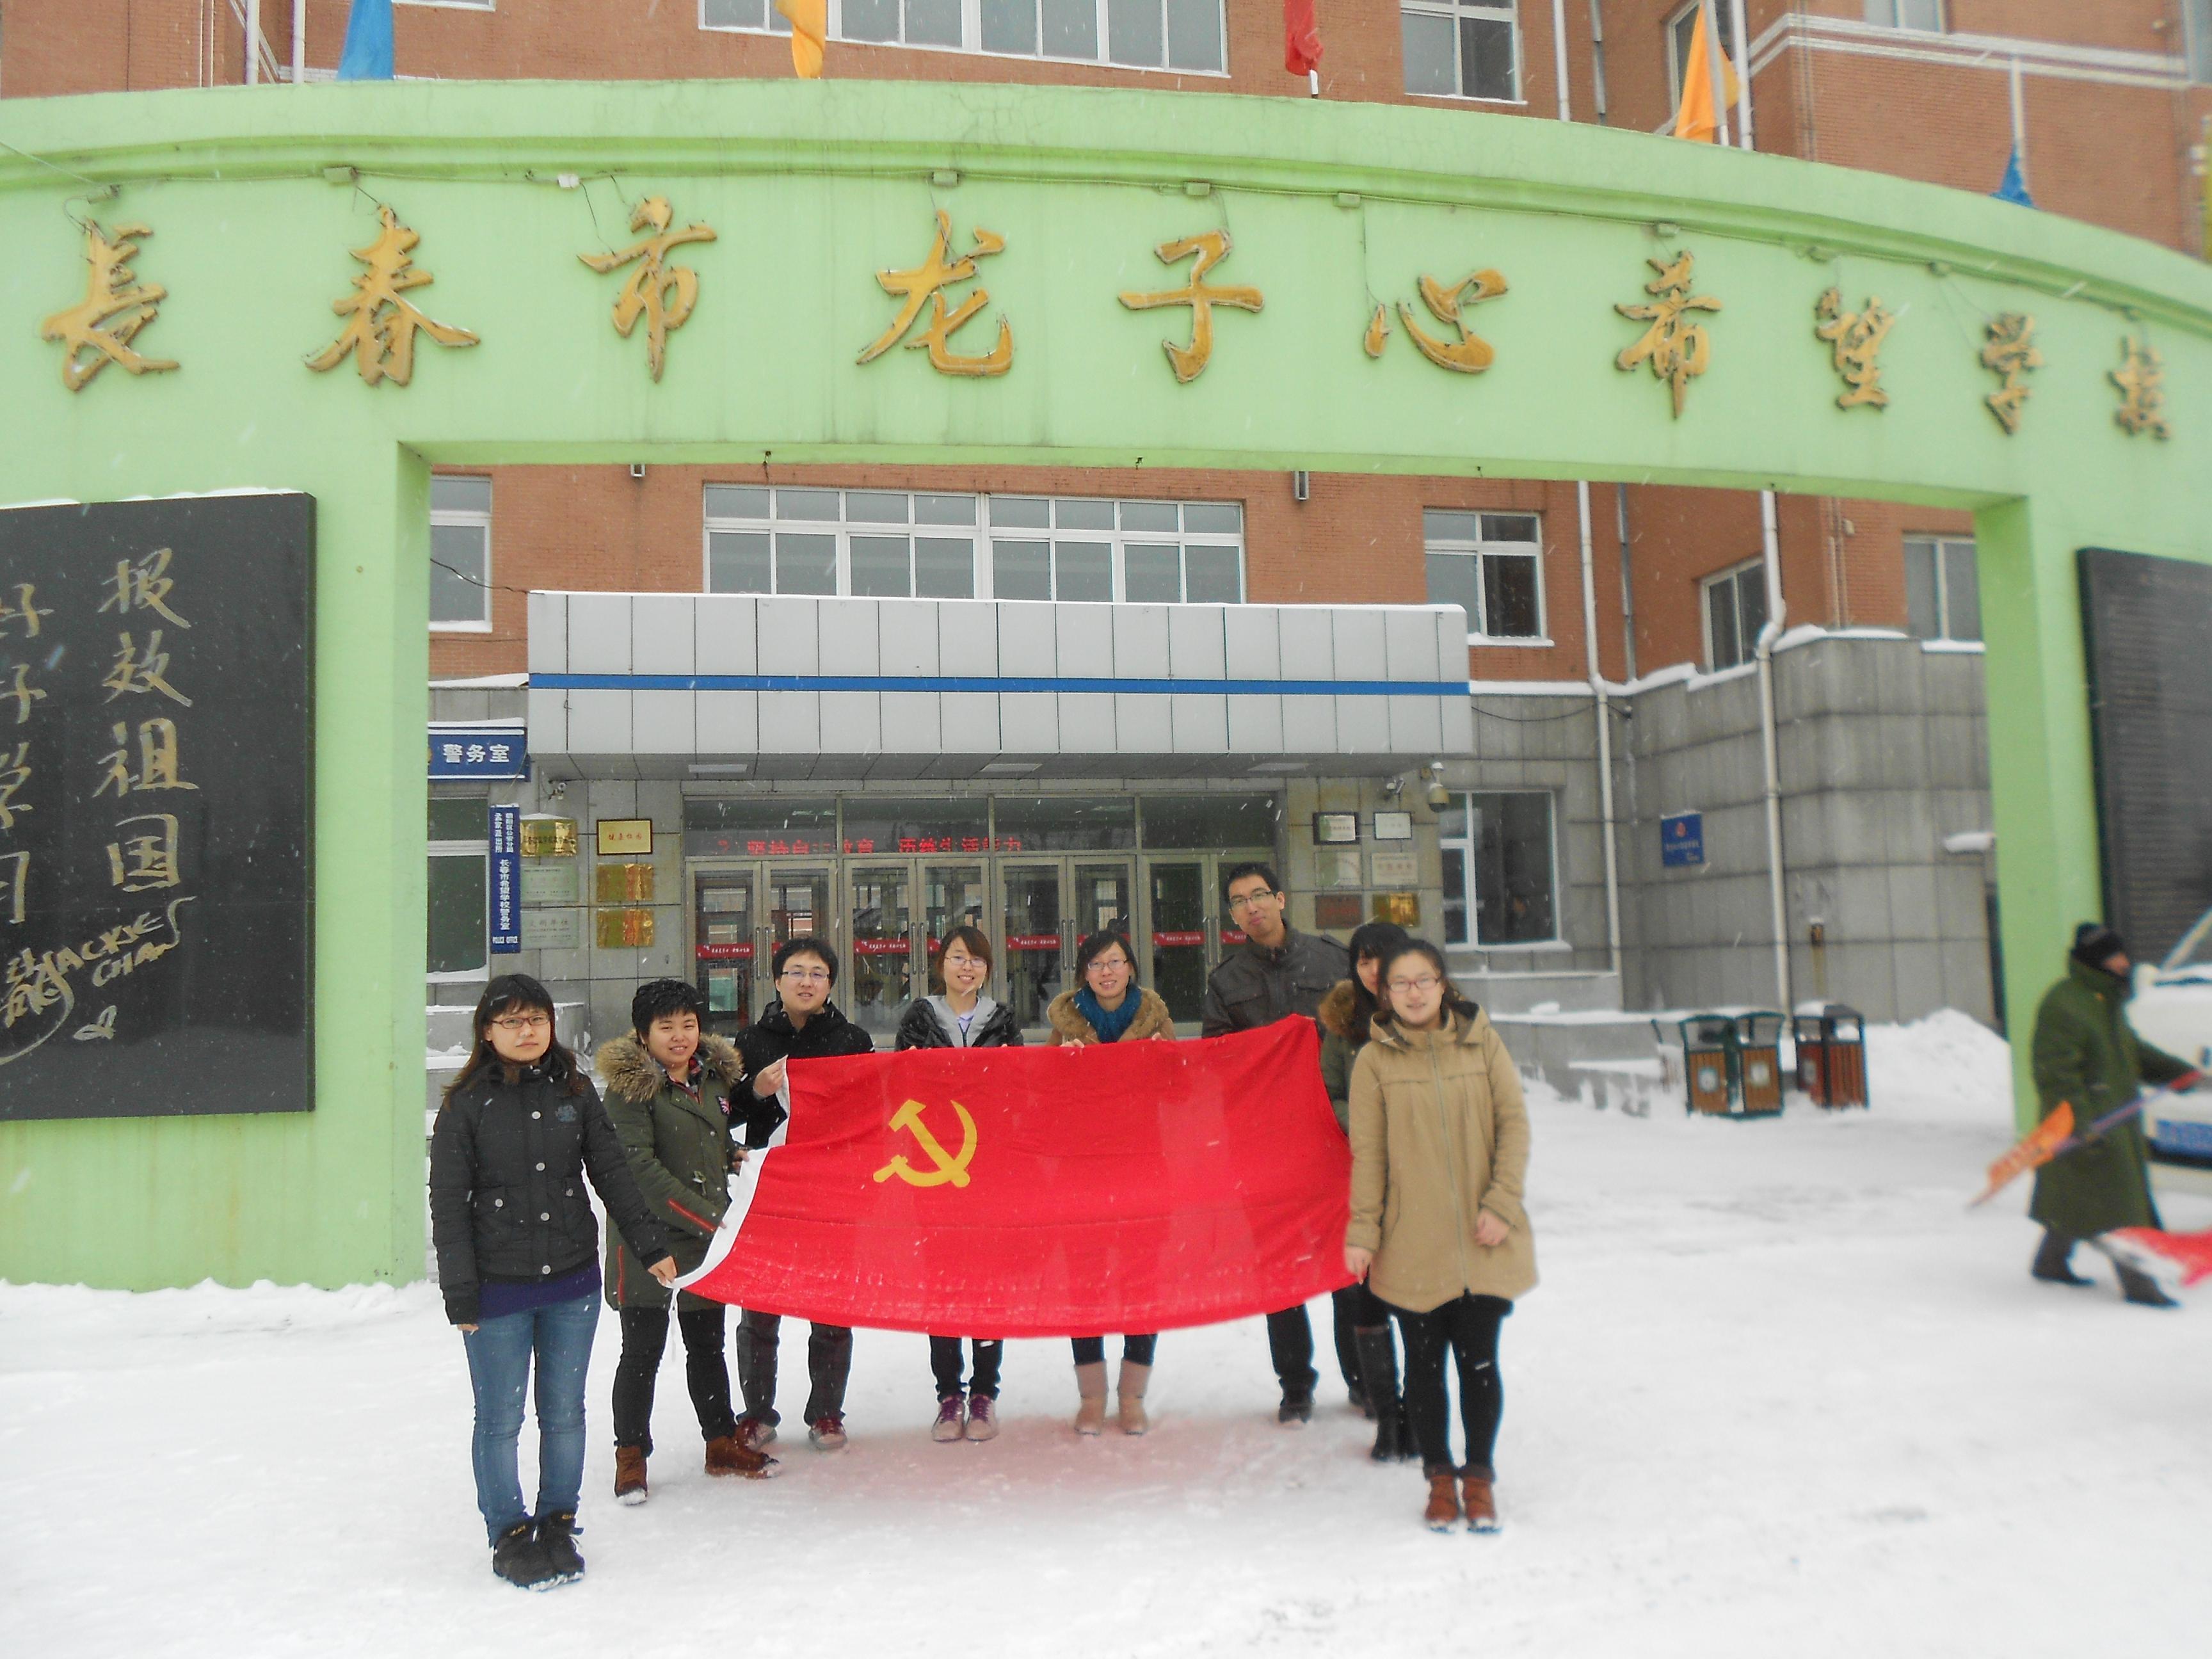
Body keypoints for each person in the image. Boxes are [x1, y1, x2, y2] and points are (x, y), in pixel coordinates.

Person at [429, 974, 677, 1590]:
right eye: (512, 1021)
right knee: (500, 1420)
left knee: (564, 1413)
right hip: (497, 1291)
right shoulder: (466, 1105)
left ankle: (558, 1523)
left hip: (571, 1284)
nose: (527, 1031)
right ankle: (509, 1534)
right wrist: (460, 1292)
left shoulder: (575, 1089)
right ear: (487, 1031)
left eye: (536, 1019)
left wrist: (649, 1244)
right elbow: (448, 1206)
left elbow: (612, 1173)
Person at [1345, 940, 1535, 1535]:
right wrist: (1364, 1231)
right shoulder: (1374, 1061)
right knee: (1424, 1368)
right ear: (1385, 994)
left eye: (1424, 980)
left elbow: (1514, 1124)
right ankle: (1439, 1480)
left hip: (1484, 1238)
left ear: (1443, 984)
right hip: (1413, 1241)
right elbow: (1369, 1157)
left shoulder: (1481, 1042)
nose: (1414, 992)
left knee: (1479, 1364)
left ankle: (1478, 1479)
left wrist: (1502, 1203)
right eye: (1400, 983)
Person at [598, 978, 776, 1503]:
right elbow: (640, 1170)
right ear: (643, 1033)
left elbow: (709, 1142)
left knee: (706, 1344)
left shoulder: (712, 1079)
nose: (679, 1037)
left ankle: (720, 1442)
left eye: (689, 1025)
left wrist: (734, 1159)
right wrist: (712, 1219)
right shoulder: (630, 1089)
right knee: (642, 1351)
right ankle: (631, 1456)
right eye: (666, 1027)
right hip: (648, 1237)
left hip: (703, 1238)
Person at [1199, 860, 1350, 1425]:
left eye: (1259, 895)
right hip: (1266, 1144)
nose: (1252, 907)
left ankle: (1365, 1379)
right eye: (1239, 901)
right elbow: (1219, 1064)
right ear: (1232, 914)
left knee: (1349, 1263)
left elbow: (1359, 1039)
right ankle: (1295, 1385)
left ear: (1281, 899)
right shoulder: (1226, 981)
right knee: (1280, 1267)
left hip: (1333, 1134)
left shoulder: (1331, 961)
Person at [732, 936, 876, 1451]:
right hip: (769, 1189)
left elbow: (872, 1111)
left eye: (818, 973)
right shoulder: (750, 1041)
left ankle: (827, 1413)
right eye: (796, 972)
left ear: (831, 984)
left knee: (831, 1306)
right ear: (777, 980)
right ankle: (756, 1413)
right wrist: (756, 1092)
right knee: (759, 1307)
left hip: (832, 1189)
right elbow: (726, 1111)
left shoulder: (852, 1040)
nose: (807, 982)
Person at [895, 926, 1025, 1443]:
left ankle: (985, 1392)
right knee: (942, 1277)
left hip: (990, 1166)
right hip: (936, 1165)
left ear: (987, 969)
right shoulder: (920, 1017)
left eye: (976, 960)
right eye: (957, 957)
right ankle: (949, 1394)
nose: (966, 968)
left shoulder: (1003, 1019)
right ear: (941, 964)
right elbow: (903, 1083)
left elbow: (1018, 1088)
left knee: (989, 1278)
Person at [2028, 922, 2200, 1307]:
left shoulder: (2104, 1000)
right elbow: (2055, 1074)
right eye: (2116, 956)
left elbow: (2131, 1051)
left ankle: (2051, 1263)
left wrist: (2177, 1073)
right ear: (2097, 959)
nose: (2125, 962)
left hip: (2114, 1121)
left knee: (2078, 1197)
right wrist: (2079, 1125)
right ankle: (2139, 1285)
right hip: (2089, 1123)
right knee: (2122, 1206)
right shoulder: (2065, 1004)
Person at [1047, 928, 1176, 1434]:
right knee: (1086, 1278)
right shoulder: (1065, 1021)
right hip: (1083, 1166)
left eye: (1116, 962)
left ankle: (1132, 1394)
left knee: (1142, 1276)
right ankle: (1092, 1396)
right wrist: (1063, 1068)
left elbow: (1181, 1091)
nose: (1107, 972)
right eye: (1097, 963)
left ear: (1130, 968)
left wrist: (1165, 1062)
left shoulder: (1155, 1017)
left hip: (1143, 1162)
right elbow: (1043, 1094)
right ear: (1084, 972)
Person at [1317, 920, 1418, 1463]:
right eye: (1363, 960)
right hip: (1362, 1179)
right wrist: (1363, 1122)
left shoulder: (1434, 1017)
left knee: (1422, 1301)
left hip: (1425, 1179)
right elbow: (1327, 1092)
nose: (1373, 970)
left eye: (1383, 957)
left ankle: (1419, 1414)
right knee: (1364, 1295)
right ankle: (1386, 1411)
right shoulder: (1345, 1025)